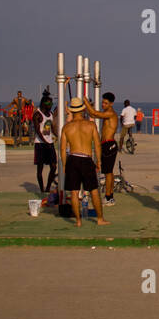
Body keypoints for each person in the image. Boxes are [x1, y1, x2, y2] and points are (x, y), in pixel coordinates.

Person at [61, 95, 108, 227]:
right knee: (93, 190)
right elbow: (97, 145)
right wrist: (98, 161)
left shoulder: (66, 128)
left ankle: (78, 221)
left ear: (72, 110)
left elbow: (63, 148)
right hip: (86, 159)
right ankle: (100, 219)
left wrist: (64, 164)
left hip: (72, 159)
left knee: (74, 192)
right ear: (82, 110)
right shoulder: (91, 125)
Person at [78, 91, 121, 206]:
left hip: (109, 144)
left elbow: (93, 113)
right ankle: (110, 196)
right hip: (106, 144)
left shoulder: (111, 113)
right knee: (109, 172)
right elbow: (93, 114)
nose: (103, 105)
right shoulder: (106, 112)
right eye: (103, 103)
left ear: (111, 104)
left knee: (107, 173)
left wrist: (85, 101)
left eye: (106, 103)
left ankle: (108, 197)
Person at [32, 95, 57, 193]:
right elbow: (37, 131)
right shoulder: (37, 114)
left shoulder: (50, 113)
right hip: (40, 144)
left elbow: (52, 128)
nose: (50, 105)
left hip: (49, 143)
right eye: (48, 103)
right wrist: (44, 141)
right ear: (43, 103)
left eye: (51, 103)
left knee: (53, 167)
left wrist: (57, 135)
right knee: (40, 168)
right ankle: (42, 189)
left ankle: (48, 187)